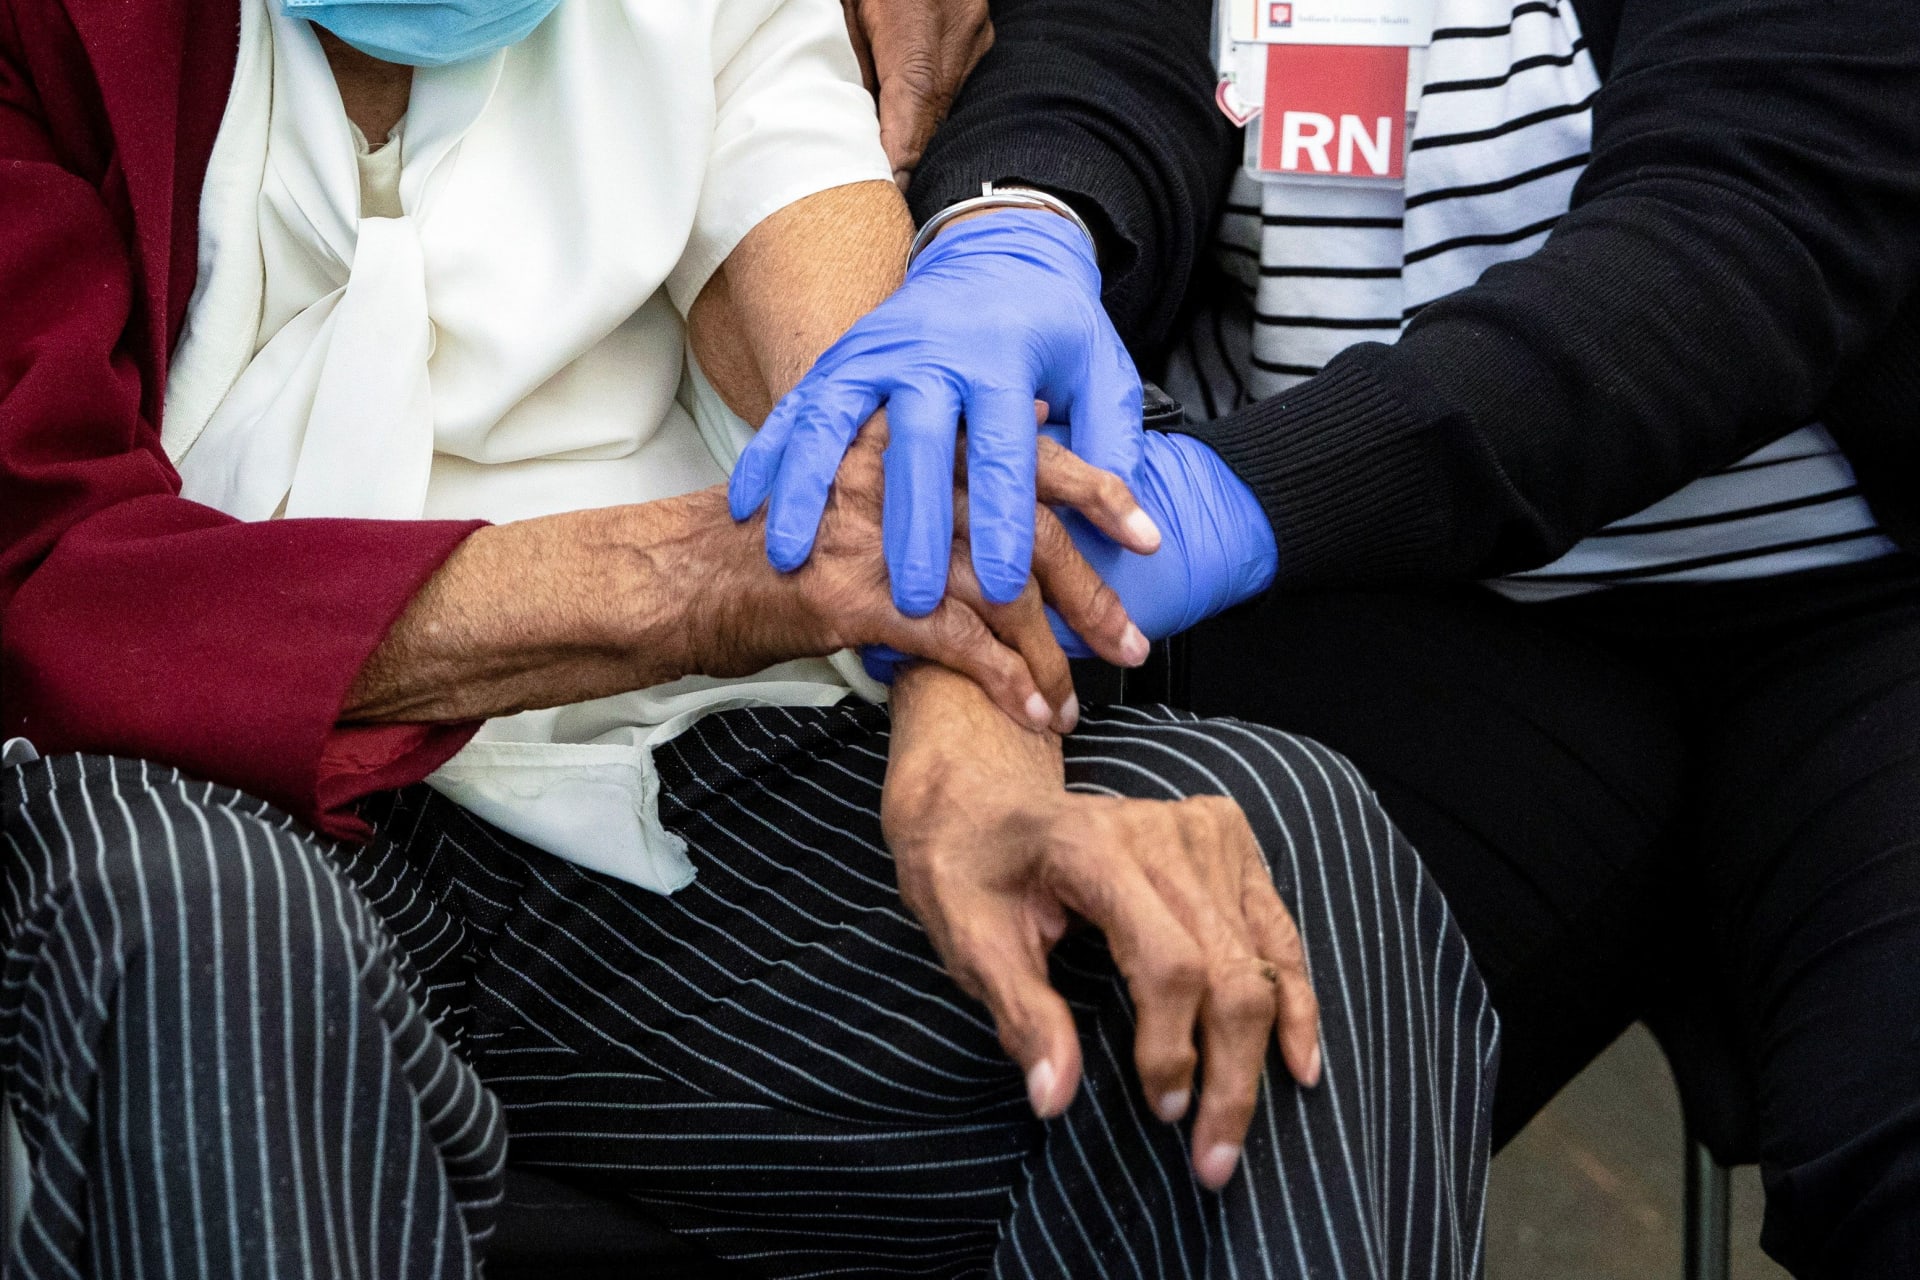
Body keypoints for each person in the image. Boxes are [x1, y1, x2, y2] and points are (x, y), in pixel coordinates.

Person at [0, 0, 1499, 1275]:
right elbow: (49, 559)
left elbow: (855, 400)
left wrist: (973, 723)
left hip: (665, 768)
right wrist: (705, 574)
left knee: (1264, 855)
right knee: (201, 924)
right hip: (210, 763)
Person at [757, 0, 1920, 1273]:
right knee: (1193, 1061)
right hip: (1388, 613)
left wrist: (1232, 496)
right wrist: (1024, 219)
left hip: (1848, 615)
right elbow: (1105, 55)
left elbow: (1729, 240)